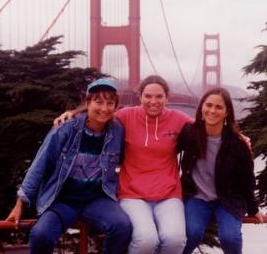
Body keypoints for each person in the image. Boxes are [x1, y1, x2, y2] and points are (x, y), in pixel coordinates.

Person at [55, 75, 190, 254]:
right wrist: (74, 114)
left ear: (167, 97)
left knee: (176, 240)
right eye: (148, 96)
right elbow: (100, 113)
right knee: (145, 240)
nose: (153, 101)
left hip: (169, 195)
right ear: (140, 96)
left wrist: (239, 136)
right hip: (133, 195)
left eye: (159, 96)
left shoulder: (179, 119)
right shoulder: (127, 115)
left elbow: (209, 127)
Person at [6, 78, 132, 254]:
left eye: (110, 103)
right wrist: (20, 203)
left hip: (97, 199)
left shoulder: (117, 130)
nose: (104, 108)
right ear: (87, 102)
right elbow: (40, 164)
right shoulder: (66, 128)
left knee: (122, 226)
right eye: (98, 102)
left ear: (116, 107)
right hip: (63, 201)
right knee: (40, 235)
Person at [177, 87, 264, 254]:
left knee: (230, 238)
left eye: (218, 107)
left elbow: (247, 179)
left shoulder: (238, 144)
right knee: (191, 233)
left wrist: (253, 208)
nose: (212, 111)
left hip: (228, 199)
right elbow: (164, 152)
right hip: (196, 197)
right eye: (208, 105)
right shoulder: (189, 133)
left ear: (227, 112)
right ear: (202, 107)